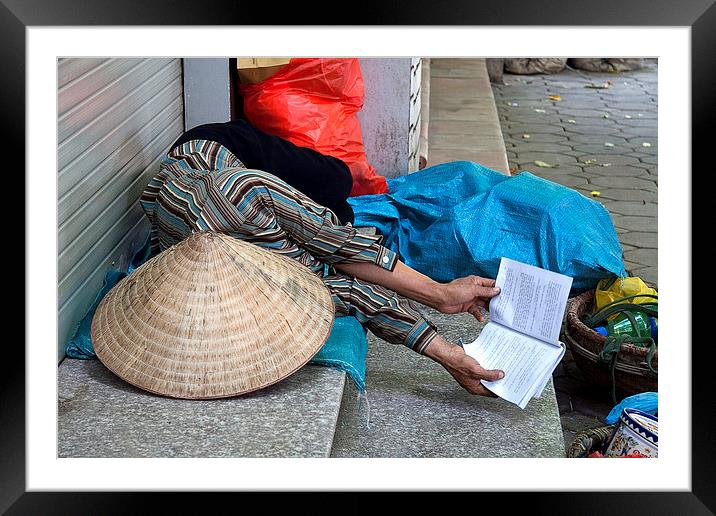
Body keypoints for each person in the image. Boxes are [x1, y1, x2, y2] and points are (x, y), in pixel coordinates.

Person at [140, 124, 505, 397]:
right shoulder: (279, 295)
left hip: (213, 148)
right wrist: (450, 355)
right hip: (219, 212)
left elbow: (343, 249)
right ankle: (330, 216)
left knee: (336, 179)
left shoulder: (250, 192)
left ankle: (332, 204)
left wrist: (438, 293)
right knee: (336, 221)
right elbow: (354, 291)